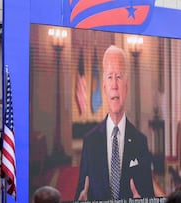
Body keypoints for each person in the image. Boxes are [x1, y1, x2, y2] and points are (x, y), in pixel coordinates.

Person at [75, 45, 154, 201]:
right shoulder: (90, 142)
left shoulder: (140, 142)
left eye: (119, 77)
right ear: (104, 87)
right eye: (110, 77)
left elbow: (149, 195)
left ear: (126, 85)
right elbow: (80, 192)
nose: (114, 85)